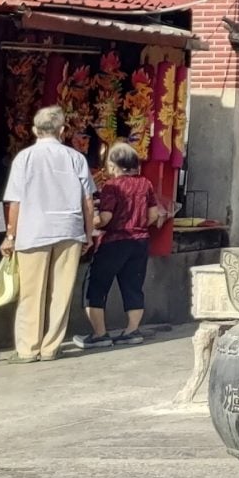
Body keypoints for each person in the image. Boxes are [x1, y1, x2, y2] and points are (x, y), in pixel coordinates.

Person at [1, 106, 97, 363]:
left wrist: (10, 235)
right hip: (69, 230)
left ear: (34, 130)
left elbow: (15, 202)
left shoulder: (25, 158)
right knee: (61, 292)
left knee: (31, 293)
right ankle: (51, 347)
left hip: (32, 231)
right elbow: (88, 201)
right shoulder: (76, 158)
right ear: (63, 131)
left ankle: (28, 349)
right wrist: (89, 233)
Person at [77, 142, 168, 349]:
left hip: (114, 242)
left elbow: (106, 217)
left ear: (113, 165)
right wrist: (137, 225)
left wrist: (90, 223)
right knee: (133, 286)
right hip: (140, 242)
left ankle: (100, 334)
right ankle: (131, 331)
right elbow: (153, 215)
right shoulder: (146, 184)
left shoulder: (112, 186)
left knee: (96, 286)